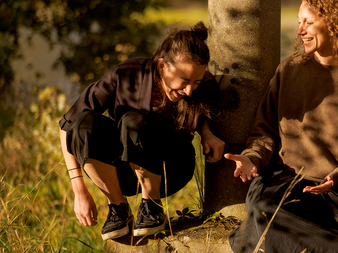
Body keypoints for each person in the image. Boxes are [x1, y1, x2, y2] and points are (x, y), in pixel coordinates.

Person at [225, 0, 338, 252]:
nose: (300, 30)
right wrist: (252, 157)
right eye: (300, 22)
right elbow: (264, 130)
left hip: (333, 191)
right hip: (281, 183)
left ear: (335, 23)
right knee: (267, 213)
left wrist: (337, 178)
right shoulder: (289, 69)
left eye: (308, 23)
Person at [59, 22, 225, 240]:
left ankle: (152, 207)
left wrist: (207, 132)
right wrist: (78, 190)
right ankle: (118, 208)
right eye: (184, 81)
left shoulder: (203, 85)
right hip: (123, 170)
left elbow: (204, 110)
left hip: (172, 168)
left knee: (132, 121)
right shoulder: (126, 74)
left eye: (196, 81)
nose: (189, 90)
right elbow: (66, 127)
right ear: (162, 66)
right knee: (86, 123)